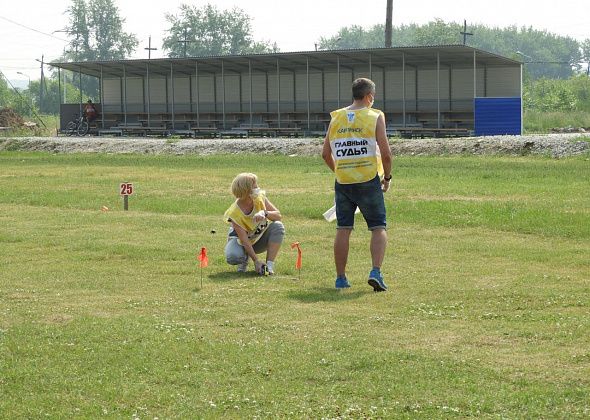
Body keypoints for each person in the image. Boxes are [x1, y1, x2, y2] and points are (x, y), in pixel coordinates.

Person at [321, 78, 392, 292]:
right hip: (368, 178)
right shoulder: (375, 116)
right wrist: (387, 178)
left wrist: (340, 171)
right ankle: (375, 272)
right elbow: (386, 154)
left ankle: (341, 278)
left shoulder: (336, 118)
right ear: (369, 96)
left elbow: (325, 154)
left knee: (343, 228)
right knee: (378, 227)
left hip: (343, 181)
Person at [224, 173, 285, 275]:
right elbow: (244, 241)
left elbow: (278, 216)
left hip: (257, 239)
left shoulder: (260, 198)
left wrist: (265, 213)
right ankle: (243, 259)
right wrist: (256, 261)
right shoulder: (234, 213)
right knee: (233, 256)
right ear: (246, 190)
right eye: (255, 186)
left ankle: (269, 266)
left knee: (278, 226)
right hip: (241, 242)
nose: (258, 188)